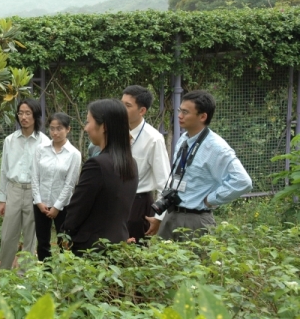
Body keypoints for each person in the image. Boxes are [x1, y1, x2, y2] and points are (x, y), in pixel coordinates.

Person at [155, 90, 252, 241]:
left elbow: (243, 181)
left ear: (202, 116)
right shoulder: (184, 140)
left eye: (185, 112)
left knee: (195, 264)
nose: (179, 115)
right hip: (172, 215)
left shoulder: (216, 147)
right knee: (161, 264)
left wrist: (211, 199)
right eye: (180, 110)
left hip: (196, 221)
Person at [62, 99, 138, 256]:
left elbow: (78, 208)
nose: (86, 127)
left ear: (104, 127)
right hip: (118, 243)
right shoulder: (131, 163)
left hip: (92, 247)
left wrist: (66, 233)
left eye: (89, 122)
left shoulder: (97, 164)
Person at [0, 99, 50, 270]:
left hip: (34, 193)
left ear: (35, 116)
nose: (24, 117)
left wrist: (44, 199)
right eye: (21, 113)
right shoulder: (9, 140)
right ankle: (3, 274)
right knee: (7, 237)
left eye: (28, 113)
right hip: (13, 190)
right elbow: (4, 171)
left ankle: (26, 278)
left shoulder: (45, 142)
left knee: (30, 237)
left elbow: (47, 173)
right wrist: (2, 199)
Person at [120, 85, 171, 243]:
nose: (121, 109)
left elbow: (165, 182)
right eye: (121, 104)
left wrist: (159, 217)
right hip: (114, 202)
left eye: (127, 106)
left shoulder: (153, 139)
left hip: (138, 205)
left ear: (142, 111)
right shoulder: (114, 132)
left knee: (135, 257)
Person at [31, 113, 81, 262]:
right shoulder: (40, 149)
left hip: (63, 206)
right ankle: (45, 273)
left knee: (64, 242)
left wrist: (57, 207)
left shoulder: (74, 154)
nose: (55, 132)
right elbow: (34, 177)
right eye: (52, 129)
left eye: (59, 129)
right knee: (43, 242)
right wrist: (39, 202)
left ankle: (63, 274)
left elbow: (70, 184)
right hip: (41, 204)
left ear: (68, 129)